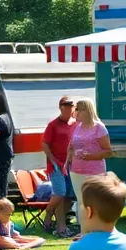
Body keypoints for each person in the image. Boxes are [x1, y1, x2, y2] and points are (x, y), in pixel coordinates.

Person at [67, 98, 113, 237]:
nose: (77, 113)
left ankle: (96, 231)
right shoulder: (77, 127)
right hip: (76, 170)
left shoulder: (99, 127)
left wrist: (90, 156)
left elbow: (108, 151)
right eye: (77, 109)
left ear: (88, 110)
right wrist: (69, 156)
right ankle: (84, 231)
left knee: (94, 201)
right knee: (81, 201)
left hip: (94, 171)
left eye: (81, 109)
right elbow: (72, 145)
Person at [42, 97, 78, 238]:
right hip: (57, 165)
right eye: (67, 105)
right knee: (60, 192)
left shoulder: (75, 124)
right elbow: (45, 144)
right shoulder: (53, 125)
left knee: (68, 196)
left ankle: (61, 226)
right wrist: (53, 161)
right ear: (61, 107)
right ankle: (50, 214)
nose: (70, 108)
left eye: (72, 105)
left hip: (72, 165)